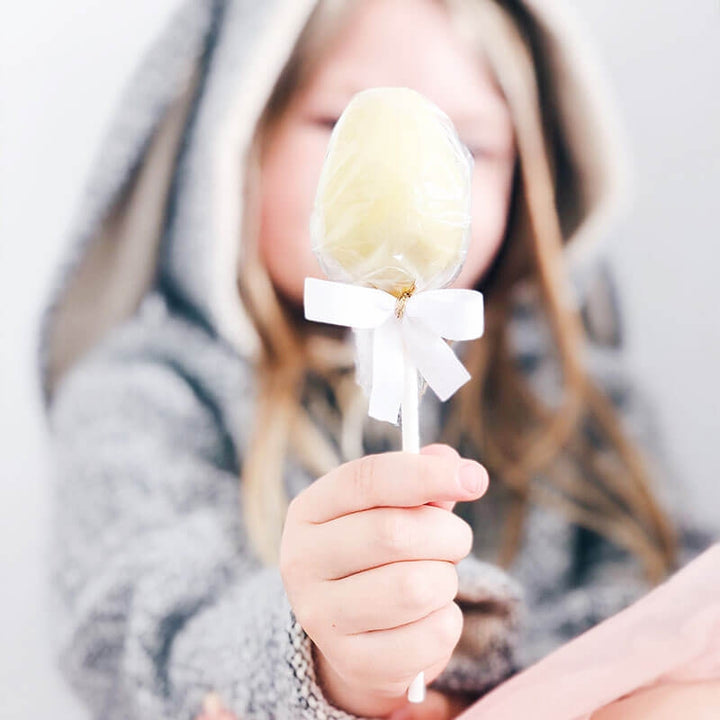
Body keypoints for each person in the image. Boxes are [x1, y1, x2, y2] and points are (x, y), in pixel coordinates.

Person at [37, 0, 715, 718]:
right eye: (337, 126)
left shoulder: (573, 392)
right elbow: (144, 634)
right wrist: (324, 658)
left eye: (472, 147)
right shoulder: (144, 396)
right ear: (231, 141)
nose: (425, 173)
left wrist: (470, 682)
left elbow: (664, 596)